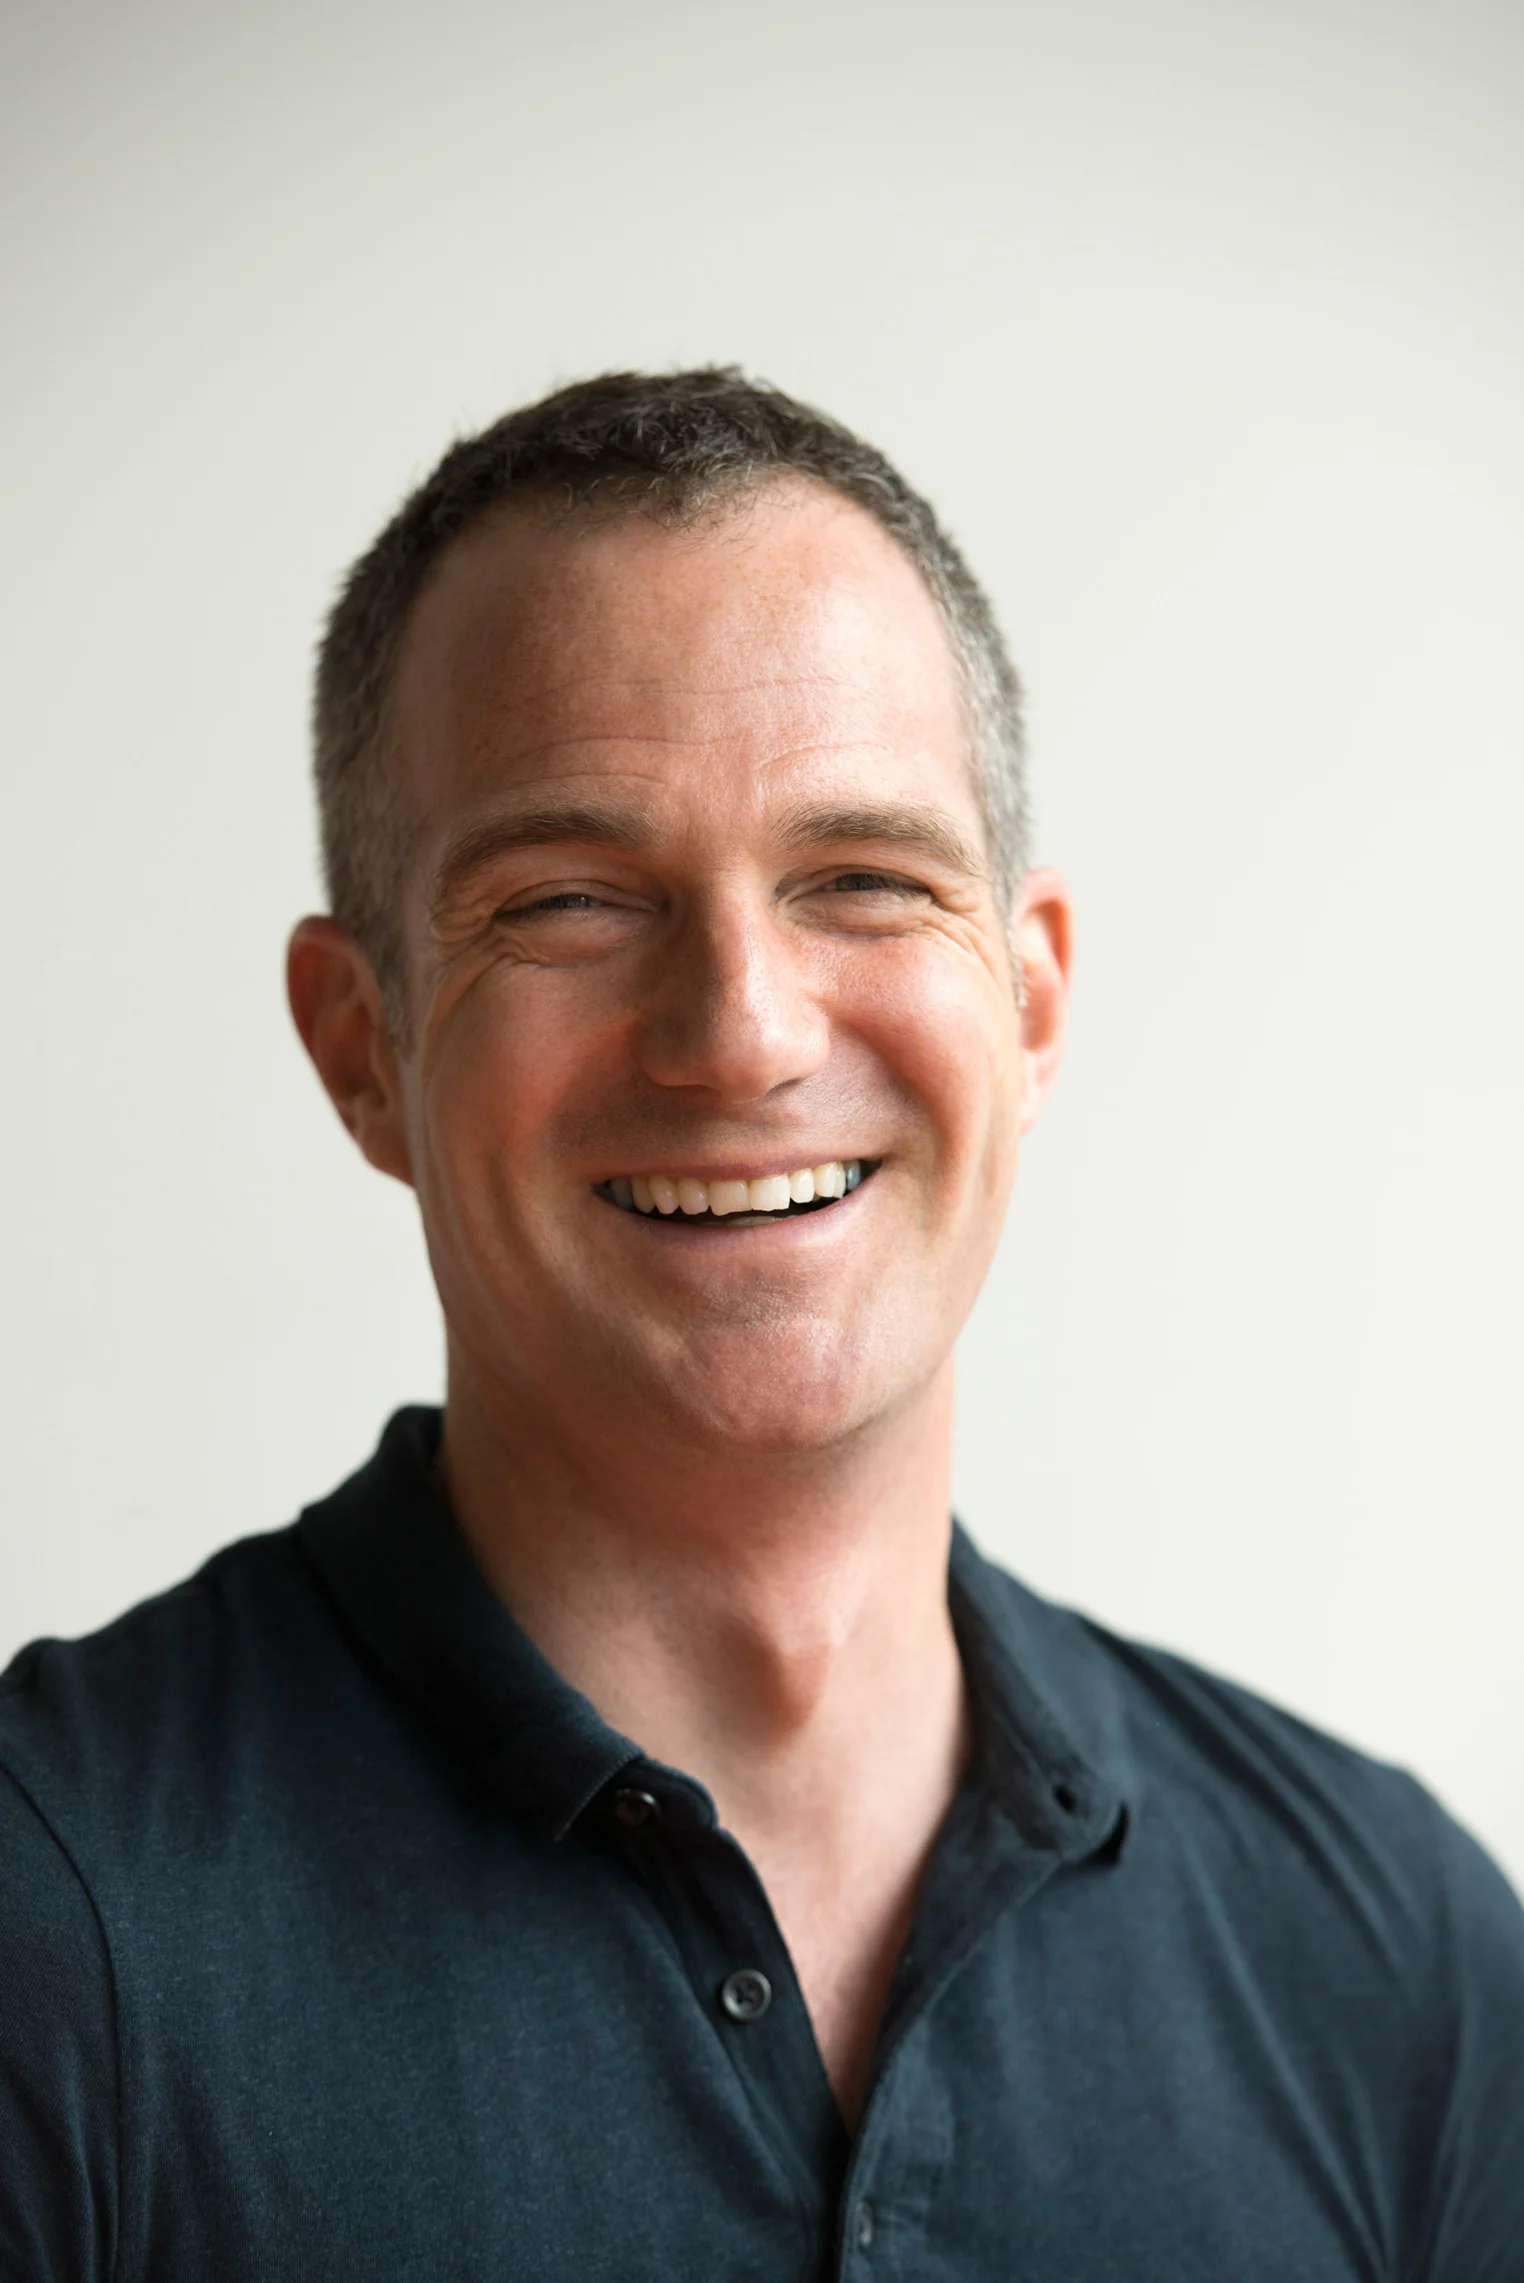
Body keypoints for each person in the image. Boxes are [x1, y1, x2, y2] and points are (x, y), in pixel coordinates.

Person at [2, 369, 1520, 2283]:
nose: (742, 1030)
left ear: (1031, 1005)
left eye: (863, 879)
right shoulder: (47, 1930)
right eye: (568, 899)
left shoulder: (1399, 1962)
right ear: (360, 1048)